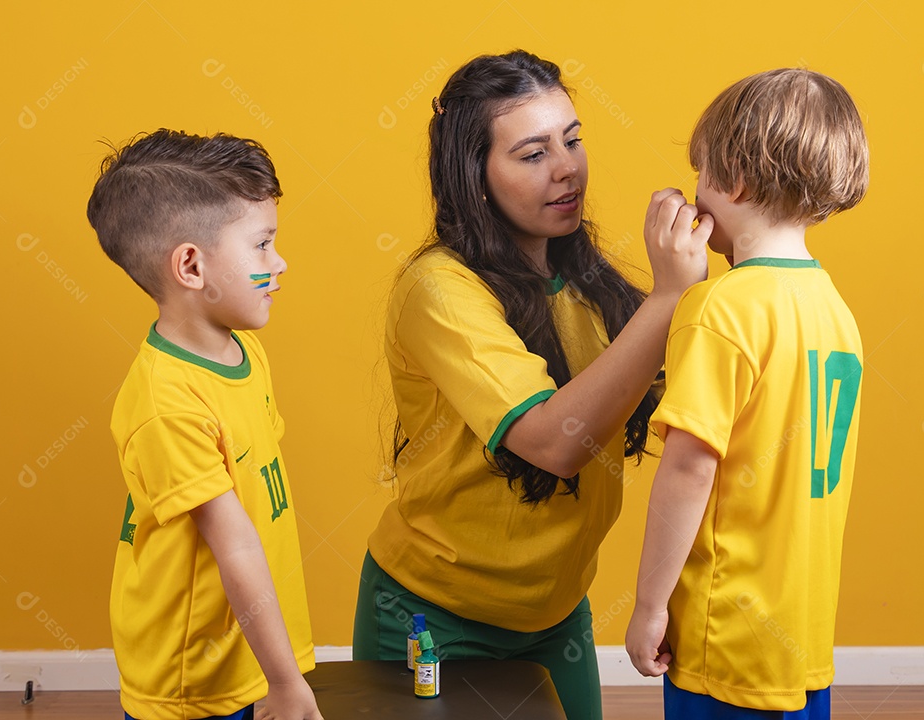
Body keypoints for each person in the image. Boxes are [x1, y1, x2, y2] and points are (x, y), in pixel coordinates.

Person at [352, 50, 712, 720]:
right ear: (475, 177)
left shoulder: (589, 282)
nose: (566, 167)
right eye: (532, 153)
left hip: (554, 616)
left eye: (572, 140)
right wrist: (669, 298)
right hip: (434, 617)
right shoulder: (438, 290)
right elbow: (554, 444)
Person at [624, 69, 870, 719]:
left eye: (700, 173)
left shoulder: (718, 307)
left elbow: (688, 468)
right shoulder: (834, 309)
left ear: (733, 181)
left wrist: (649, 606)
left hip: (726, 636)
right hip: (801, 638)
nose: (695, 191)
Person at [87, 129, 321, 720]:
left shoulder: (243, 352)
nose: (280, 262)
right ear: (191, 266)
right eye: (261, 245)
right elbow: (234, 542)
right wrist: (286, 681)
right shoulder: (166, 405)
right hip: (194, 677)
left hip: (249, 653)